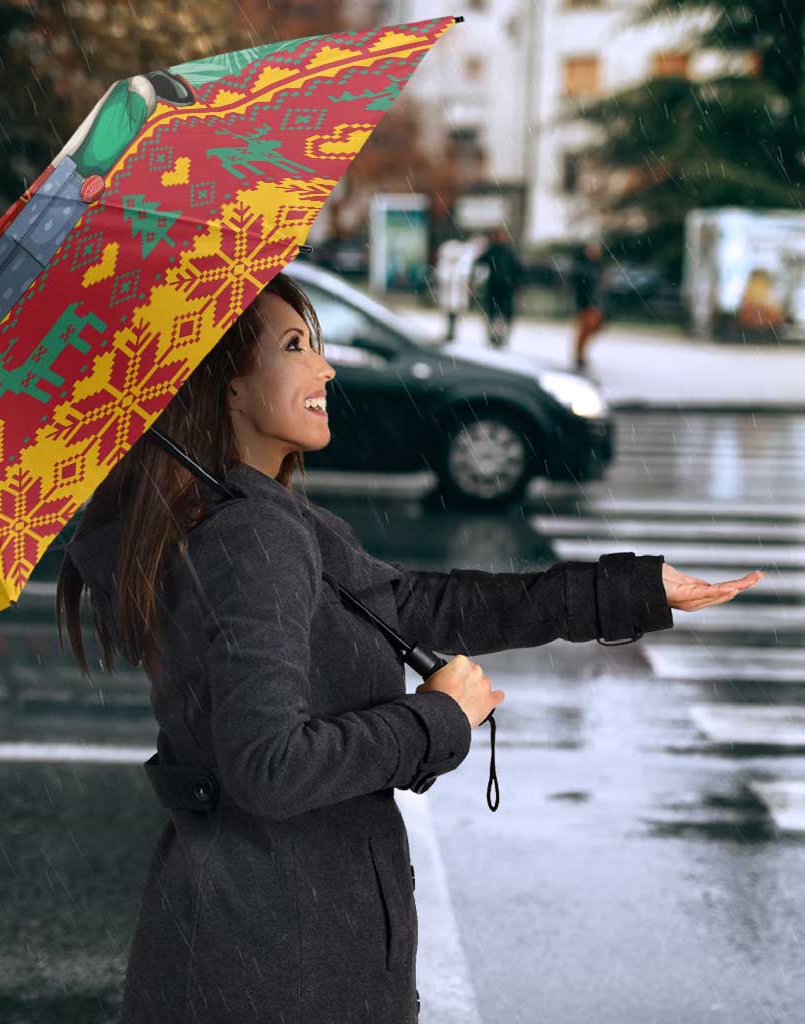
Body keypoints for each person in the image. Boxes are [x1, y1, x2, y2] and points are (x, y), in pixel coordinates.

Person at [56, 270, 757, 1024]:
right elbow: (268, 768)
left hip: (261, 939)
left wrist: (631, 591)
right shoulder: (250, 537)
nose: (325, 368)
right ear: (226, 385)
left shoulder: (257, 517)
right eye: (295, 346)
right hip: (280, 962)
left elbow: (419, 604)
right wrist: (436, 719)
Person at [473, 226, 523, 349]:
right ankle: (494, 337)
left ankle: (500, 337)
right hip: (496, 288)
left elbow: (517, 270)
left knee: (501, 315)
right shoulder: (493, 251)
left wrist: (516, 284)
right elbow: (479, 264)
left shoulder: (506, 252)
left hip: (504, 288)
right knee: (494, 314)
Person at [571, 240, 607, 371]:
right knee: (585, 329)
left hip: (595, 303)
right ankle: (579, 355)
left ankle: (581, 354)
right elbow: (580, 286)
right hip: (586, 303)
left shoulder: (598, 266)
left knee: (594, 328)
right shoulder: (583, 267)